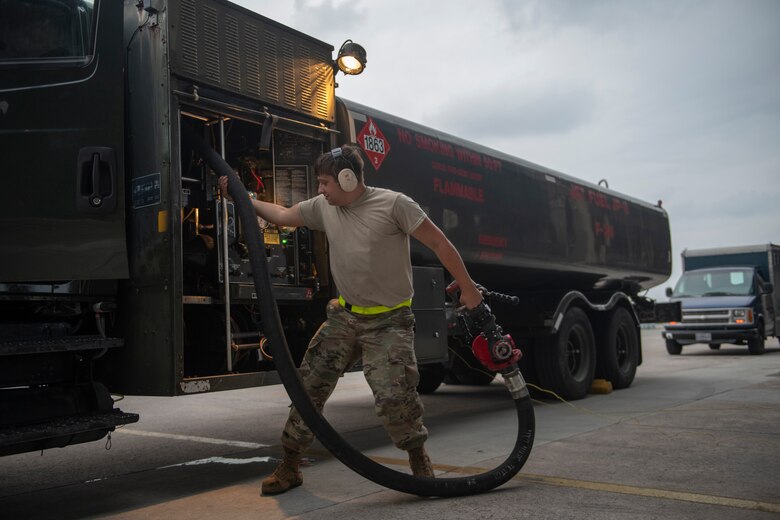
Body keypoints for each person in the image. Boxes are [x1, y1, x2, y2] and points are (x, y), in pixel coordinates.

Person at [219, 144, 483, 495]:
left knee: (395, 398)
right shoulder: (323, 208)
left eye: (325, 182)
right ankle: (291, 464)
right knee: (308, 387)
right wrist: (241, 193)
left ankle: (419, 462)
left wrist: (468, 287)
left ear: (347, 179)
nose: (320, 189)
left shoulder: (394, 205)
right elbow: (282, 216)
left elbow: (439, 242)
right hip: (344, 317)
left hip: (389, 321)